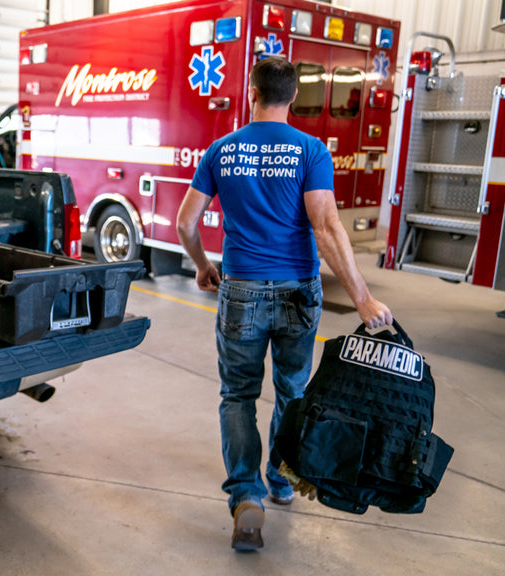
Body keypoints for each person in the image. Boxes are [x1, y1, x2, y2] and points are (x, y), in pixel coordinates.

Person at [175, 57, 393, 552]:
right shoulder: (311, 151)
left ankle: (246, 496)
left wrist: (204, 265)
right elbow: (327, 227)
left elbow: (186, 223)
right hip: (297, 289)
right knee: (292, 392)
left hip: (241, 289)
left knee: (238, 396)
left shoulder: (220, 151)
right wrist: (361, 297)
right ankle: (279, 476)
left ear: (251, 90)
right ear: (294, 97)